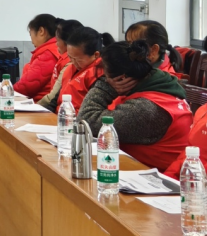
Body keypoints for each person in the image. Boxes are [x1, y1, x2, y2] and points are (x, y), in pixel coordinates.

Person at [78, 40, 191, 174]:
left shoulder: (145, 109)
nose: (104, 79)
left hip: (156, 179)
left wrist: (106, 87)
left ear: (121, 79)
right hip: (140, 170)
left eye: (105, 76)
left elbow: (85, 123)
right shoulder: (158, 84)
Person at [56, 27, 114, 112]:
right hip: (60, 115)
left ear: (96, 55)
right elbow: (56, 98)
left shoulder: (100, 75)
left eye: (78, 60)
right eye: (70, 57)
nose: (73, 62)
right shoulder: (70, 68)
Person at [14, 14, 61, 102]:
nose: (31, 41)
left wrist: (5, 92)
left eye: (30, 34)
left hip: (41, 104)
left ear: (41, 31)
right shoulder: (55, 49)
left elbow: (25, 87)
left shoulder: (48, 54)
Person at [38, 19, 82, 111]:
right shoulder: (65, 61)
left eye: (57, 40)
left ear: (68, 42)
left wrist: (35, 107)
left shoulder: (71, 64)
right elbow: (55, 98)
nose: (56, 44)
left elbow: (52, 97)